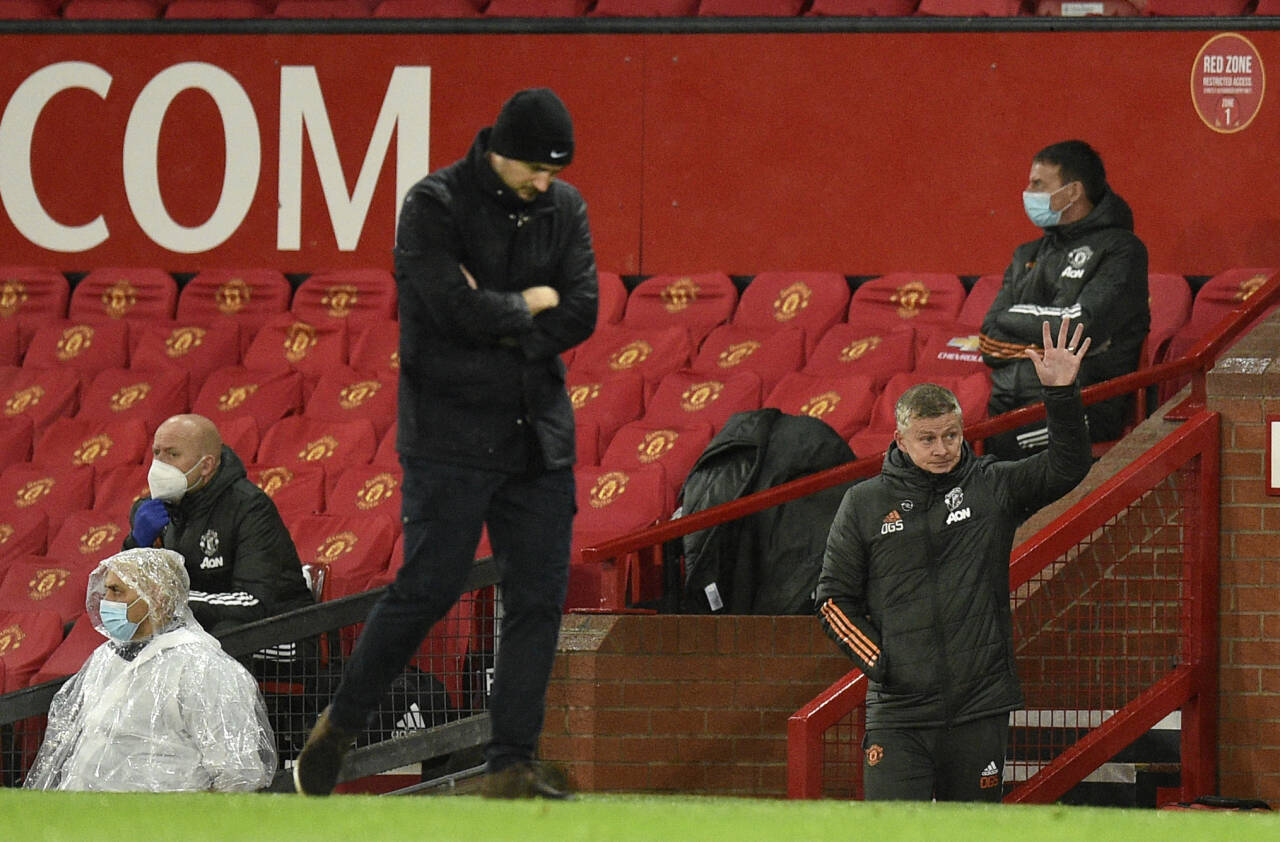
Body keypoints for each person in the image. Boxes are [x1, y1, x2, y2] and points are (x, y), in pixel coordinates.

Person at [294, 88, 598, 799]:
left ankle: (511, 765)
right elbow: (446, 309)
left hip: (538, 436)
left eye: (555, 172)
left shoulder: (566, 208)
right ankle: (339, 727)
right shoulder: (434, 204)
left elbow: (581, 310)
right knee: (427, 589)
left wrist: (499, 315)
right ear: (502, 152)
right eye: (535, 170)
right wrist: (530, 301)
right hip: (450, 436)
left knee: (537, 602)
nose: (546, 184)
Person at [816, 318, 1093, 802]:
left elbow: (1066, 466)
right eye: (928, 438)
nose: (942, 449)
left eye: (951, 435)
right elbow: (833, 600)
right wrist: (882, 664)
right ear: (900, 440)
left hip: (979, 708)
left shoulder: (993, 486)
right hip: (899, 712)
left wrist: (1062, 394)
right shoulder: (863, 503)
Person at [24, 547, 277, 792]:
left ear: (157, 597)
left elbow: (239, 774)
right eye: (105, 591)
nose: (106, 602)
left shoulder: (203, 667)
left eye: (116, 591)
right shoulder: (106, 658)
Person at [980, 140, 1149, 459]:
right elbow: (989, 338)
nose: (1027, 192)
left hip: (1083, 404)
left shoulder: (1121, 250)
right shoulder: (1026, 254)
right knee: (944, 445)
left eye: (1038, 184)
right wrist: (1050, 342)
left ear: (1073, 192)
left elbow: (1081, 328)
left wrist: (1013, 317)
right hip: (1008, 403)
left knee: (994, 451)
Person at [122, 413, 313, 635]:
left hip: (278, 632)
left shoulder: (249, 507)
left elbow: (254, 603)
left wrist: (173, 600)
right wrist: (135, 543)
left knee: (223, 635)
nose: (160, 465)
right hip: (204, 632)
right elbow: (125, 592)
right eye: (157, 453)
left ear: (206, 466)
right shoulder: (156, 510)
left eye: (173, 454)